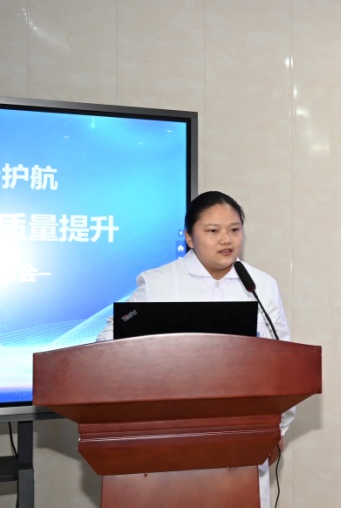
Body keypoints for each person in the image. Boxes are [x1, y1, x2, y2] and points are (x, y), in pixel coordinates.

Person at [97, 190, 291, 508]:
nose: (226, 239)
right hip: (166, 436)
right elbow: (107, 342)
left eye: (234, 229)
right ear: (189, 237)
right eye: (212, 231)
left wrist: (275, 430)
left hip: (242, 438)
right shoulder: (158, 282)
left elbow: (284, 366)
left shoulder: (260, 285)